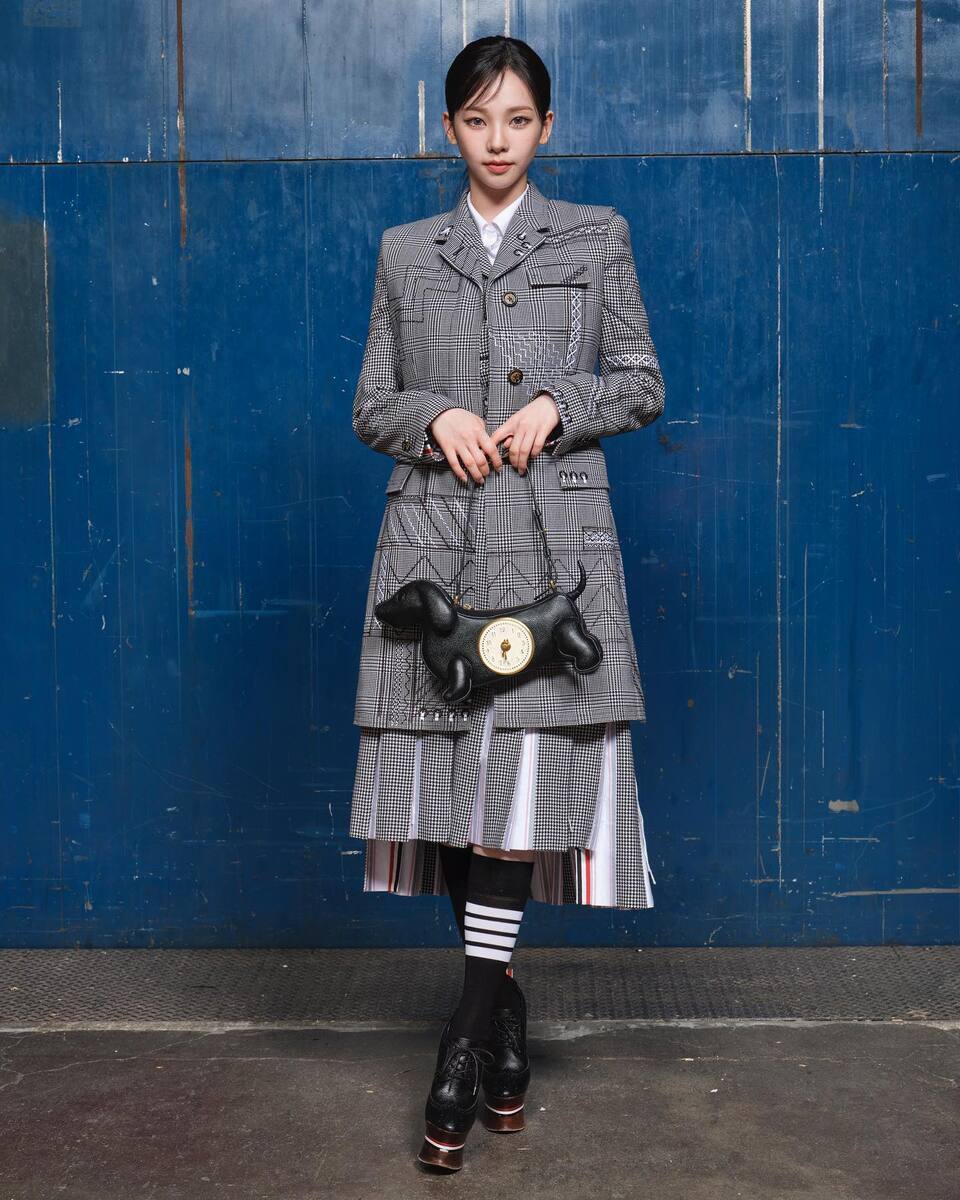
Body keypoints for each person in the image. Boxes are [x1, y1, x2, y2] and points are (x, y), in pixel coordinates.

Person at [348, 34, 665, 1173]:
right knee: (452, 798)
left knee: (514, 800)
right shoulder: (406, 251)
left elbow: (642, 382)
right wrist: (431, 415)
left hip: (549, 557)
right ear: (448, 130)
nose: (497, 140)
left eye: (517, 119)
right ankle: (505, 1013)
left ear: (546, 127)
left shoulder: (595, 235)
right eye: (477, 120)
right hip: (434, 550)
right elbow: (370, 403)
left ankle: (461, 1043)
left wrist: (560, 405)